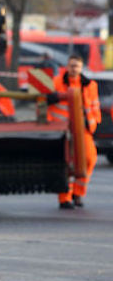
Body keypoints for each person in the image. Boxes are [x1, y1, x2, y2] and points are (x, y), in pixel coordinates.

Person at [50, 53, 100, 209]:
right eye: (71, 65)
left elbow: (94, 106)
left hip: (82, 128)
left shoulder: (90, 85)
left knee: (89, 159)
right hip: (62, 128)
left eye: (76, 66)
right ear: (67, 66)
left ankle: (78, 193)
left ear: (81, 67)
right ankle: (65, 198)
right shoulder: (57, 82)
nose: (73, 69)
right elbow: (46, 99)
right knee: (65, 162)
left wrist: (92, 123)